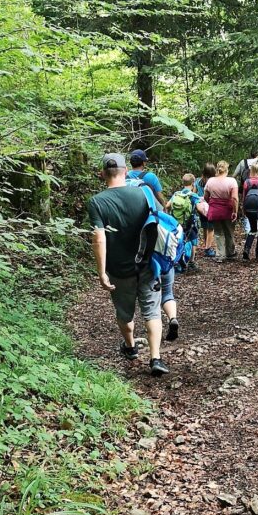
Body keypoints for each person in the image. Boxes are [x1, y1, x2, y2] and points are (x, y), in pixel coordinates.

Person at [88, 153, 169, 376]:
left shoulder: (97, 202)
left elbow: (99, 238)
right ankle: (155, 358)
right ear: (126, 171)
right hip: (147, 264)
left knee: (125, 313)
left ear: (102, 174)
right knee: (152, 312)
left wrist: (102, 271)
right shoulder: (145, 194)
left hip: (118, 269)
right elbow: (159, 223)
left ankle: (131, 347)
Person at [204, 161, 238, 261]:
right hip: (228, 210)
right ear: (227, 170)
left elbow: (206, 196)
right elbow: (235, 198)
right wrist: (235, 211)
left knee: (218, 233)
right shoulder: (232, 181)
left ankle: (220, 255)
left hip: (215, 210)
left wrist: (211, 204)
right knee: (229, 231)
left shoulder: (210, 181)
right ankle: (230, 253)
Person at [168, 173, 201, 272]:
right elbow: (199, 208)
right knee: (193, 240)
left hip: (178, 223)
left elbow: (167, 205)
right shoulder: (193, 195)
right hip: (190, 223)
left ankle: (178, 261)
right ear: (193, 183)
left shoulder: (177, 194)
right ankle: (191, 262)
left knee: (179, 240)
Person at [233, 147, 258, 234]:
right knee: (257, 207)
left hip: (244, 189)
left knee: (245, 208)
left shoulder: (242, 162)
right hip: (257, 189)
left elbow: (234, 175)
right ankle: (256, 228)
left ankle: (248, 230)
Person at [196, 162, 217, 253]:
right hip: (211, 207)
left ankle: (206, 244)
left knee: (205, 226)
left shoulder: (197, 181)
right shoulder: (213, 182)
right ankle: (208, 248)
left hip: (201, 207)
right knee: (211, 228)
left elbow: (194, 193)